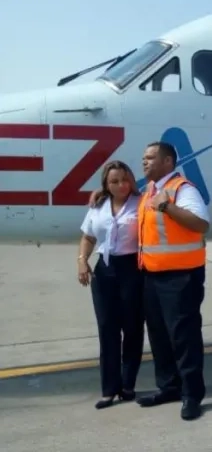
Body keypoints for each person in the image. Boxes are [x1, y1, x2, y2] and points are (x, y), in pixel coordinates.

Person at [136, 141, 211, 421]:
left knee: (184, 337)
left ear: (168, 162)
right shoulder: (149, 192)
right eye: (143, 158)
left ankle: (192, 395)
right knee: (159, 335)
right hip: (153, 276)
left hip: (181, 277)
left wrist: (167, 206)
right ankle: (169, 387)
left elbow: (201, 224)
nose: (144, 162)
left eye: (150, 158)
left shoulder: (182, 189)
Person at [77, 161, 145, 410]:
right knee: (107, 330)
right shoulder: (98, 205)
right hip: (105, 271)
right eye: (114, 181)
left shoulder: (142, 203)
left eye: (125, 180)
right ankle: (109, 390)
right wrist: (82, 261)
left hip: (132, 270)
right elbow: (88, 236)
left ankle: (128, 385)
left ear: (132, 180)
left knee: (133, 329)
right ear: (106, 183)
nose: (120, 186)